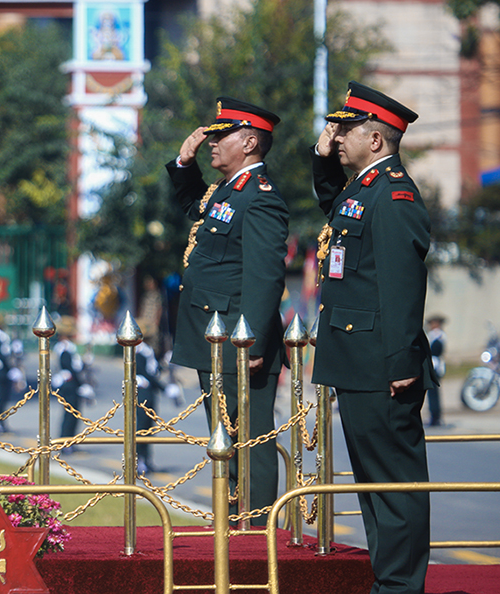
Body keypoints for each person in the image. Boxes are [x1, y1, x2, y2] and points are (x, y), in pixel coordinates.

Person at [311, 81, 436, 594]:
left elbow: (403, 286)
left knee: (395, 485)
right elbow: (333, 205)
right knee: (373, 483)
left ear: (377, 139)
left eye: (347, 130)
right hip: (358, 360)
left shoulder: (394, 194)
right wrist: (322, 159)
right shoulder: (364, 188)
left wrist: (402, 361)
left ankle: (401, 585)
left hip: (383, 365)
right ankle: (388, 581)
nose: (337, 136)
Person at [165, 97, 289, 526]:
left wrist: (251, 339)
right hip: (216, 337)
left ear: (250, 143)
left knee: (249, 441)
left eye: (222, 136)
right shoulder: (229, 190)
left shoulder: (260, 198)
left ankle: (255, 531)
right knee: (226, 439)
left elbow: (266, 276)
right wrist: (185, 164)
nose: (212, 142)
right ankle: (234, 525)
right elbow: (195, 210)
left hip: (239, 341)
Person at [53, 316, 94, 449]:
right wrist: (82, 384)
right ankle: (65, 442)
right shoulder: (64, 348)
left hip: (72, 383)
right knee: (70, 415)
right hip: (69, 384)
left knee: (74, 415)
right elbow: (70, 368)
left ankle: (70, 441)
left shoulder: (69, 347)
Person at [134, 325, 165, 474]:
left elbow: (153, 369)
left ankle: (146, 459)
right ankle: (138, 459)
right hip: (142, 392)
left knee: (149, 428)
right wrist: (164, 387)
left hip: (150, 392)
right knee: (141, 428)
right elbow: (146, 373)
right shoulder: (139, 352)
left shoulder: (148, 350)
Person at [426, 314, 447, 427]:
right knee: (431, 393)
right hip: (432, 365)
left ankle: (436, 416)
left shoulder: (439, 335)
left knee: (434, 393)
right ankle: (433, 415)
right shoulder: (432, 335)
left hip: (435, 366)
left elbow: (436, 350)